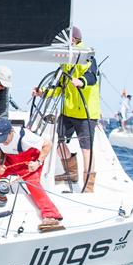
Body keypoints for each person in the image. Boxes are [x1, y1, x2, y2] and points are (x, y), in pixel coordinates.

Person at [32, 26, 100, 192]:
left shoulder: (85, 55)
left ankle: (88, 185)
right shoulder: (66, 61)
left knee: (86, 148)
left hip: (86, 113)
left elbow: (92, 75)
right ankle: (71, 173)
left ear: (72, 40)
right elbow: (60, 87)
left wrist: (81, 81)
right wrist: (43, 93)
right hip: (68, 111)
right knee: (58, 142)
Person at [0, 119, 63, 232]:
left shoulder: (25, 137)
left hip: (28, 163)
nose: (3, 142)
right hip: (10, 160)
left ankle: (51, 215)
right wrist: (1, 164)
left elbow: (47, 144)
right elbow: (0, 152)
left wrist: (38, 162)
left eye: (4, 139)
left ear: (11, 132)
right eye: (0, 139)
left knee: (33, 184)